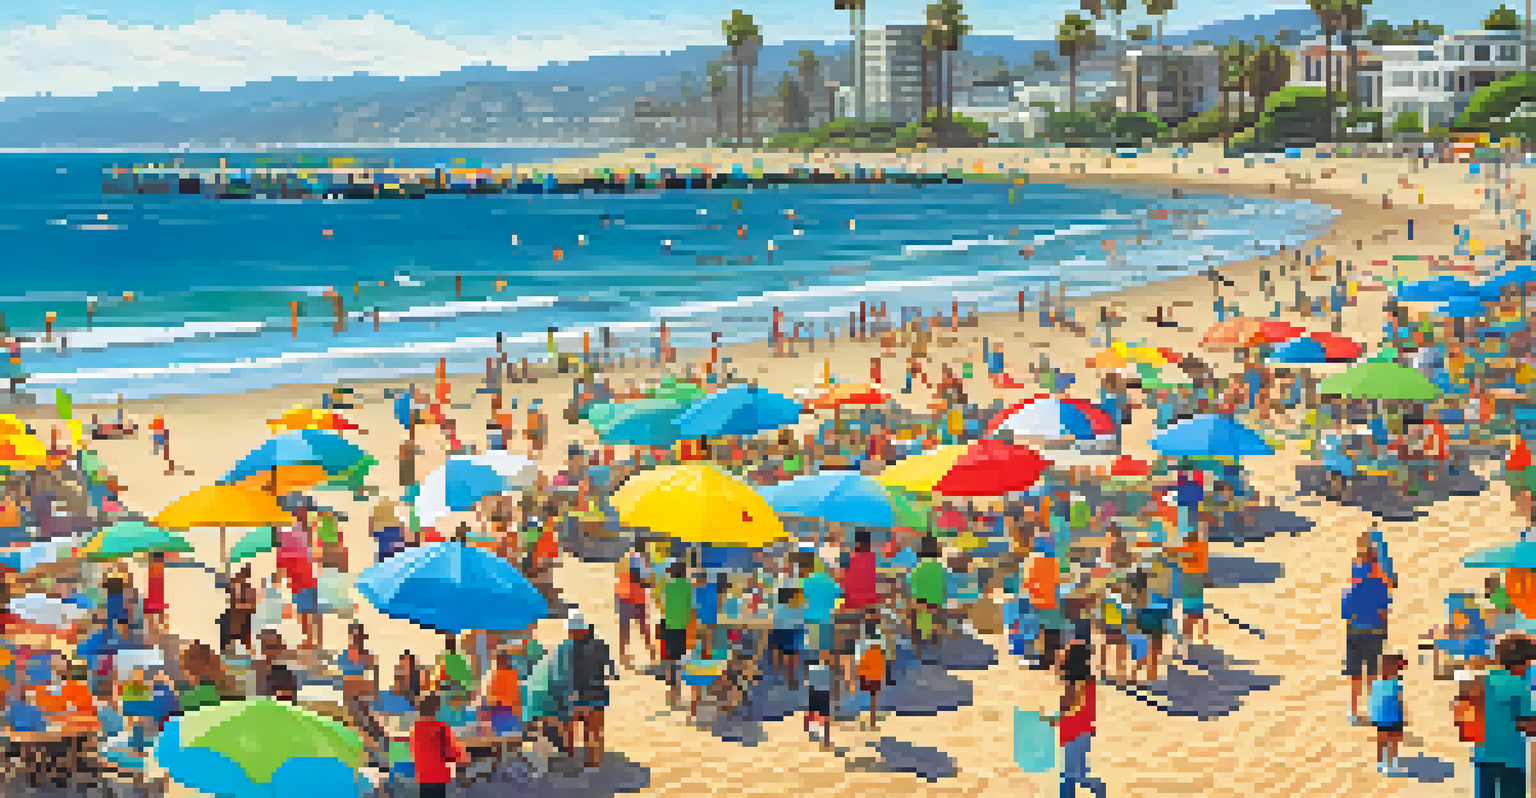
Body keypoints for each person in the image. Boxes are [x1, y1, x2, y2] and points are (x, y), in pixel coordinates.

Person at [1467, 635, 1536, 797]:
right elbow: (1528, 727)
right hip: (1511, 760)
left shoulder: (1482, 682)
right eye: (1529, 662)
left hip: (1483, 757)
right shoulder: (1520, 687)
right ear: (1522, 661)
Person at [1343, 541, 1392, 723]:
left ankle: (1355, 710)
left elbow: (1345, 609)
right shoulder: (1381, 583)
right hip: (1374, 631)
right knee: (1371, 673)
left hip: (1356, 631)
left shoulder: (1356, 580)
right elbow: (1384, 609)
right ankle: (1372, 709)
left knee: (1356, 673)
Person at [1051, 640, 1107, 798]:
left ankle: (1097, 786)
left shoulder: (1071, 684)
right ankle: (1097, 786)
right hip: (1084, 732)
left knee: (1069, 776)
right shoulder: (1089, 681)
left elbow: (1068, 710)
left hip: (1071, 734)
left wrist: (1052, 719)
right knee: (1078, 773)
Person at [564, 613, 616, 769]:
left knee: (573, 729)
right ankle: (594, 761)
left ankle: (573, 759)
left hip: (579, 696)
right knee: (594, 731)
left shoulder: (570, 648)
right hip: (598, 694)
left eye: (572, 631)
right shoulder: (601, 645)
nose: (570, 634)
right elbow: (612, 670)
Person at [410, 693, 466, 798]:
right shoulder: (440, 727)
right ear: (436, 709)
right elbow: (451, 752)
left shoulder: (416, 728)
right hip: (437, 775)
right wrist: (464, 758)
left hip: (423, 775)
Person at [660, 559, 692, 709]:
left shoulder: (667, 586)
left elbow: (663, 605)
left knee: (670, 661)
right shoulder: (687, 586)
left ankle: (671, 693)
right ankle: (676, 695)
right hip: (682, 628)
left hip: (668, 625)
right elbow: (690, 606)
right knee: (679, 662)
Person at [614, 553, 654, 670]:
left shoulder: (629, 563)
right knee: (639, 628)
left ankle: (624, 655)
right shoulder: (640, 567)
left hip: (628, 599)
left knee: (626, 629)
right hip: (631, 599)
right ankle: (649, 652)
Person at [1370, 653, 1407, 776]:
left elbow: (1398, 702)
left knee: (1388, 741)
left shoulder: (1382, 684)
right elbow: (1397, 702)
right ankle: (1386, 762)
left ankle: (1388, 762)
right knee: (1387, 741)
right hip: (1387, 717)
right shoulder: (1388, 685)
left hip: (1388, 717)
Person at [854, 617, 887, 731]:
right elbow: (883, 656)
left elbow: (858, 657)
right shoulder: (880, 639)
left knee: (865, 695)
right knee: (873, 697)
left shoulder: (862, 640)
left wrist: (858, 671)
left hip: (865, 670)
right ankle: (872, 721)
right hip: (876, 671)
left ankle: (867, 720)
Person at [219, 564, 257, 655]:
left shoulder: (247, 588)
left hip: (242, 620)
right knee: (227, 645)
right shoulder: (236, 584)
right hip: (234, 619)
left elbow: (252, 607)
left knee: (244, 645)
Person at [805, 654, 833, 750]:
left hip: (815, 691)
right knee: (825, 717)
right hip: (824, 692)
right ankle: (826, 739)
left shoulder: (812, 668)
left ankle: (809, 729)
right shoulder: (827, 668)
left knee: (813, 712)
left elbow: (808, 682)